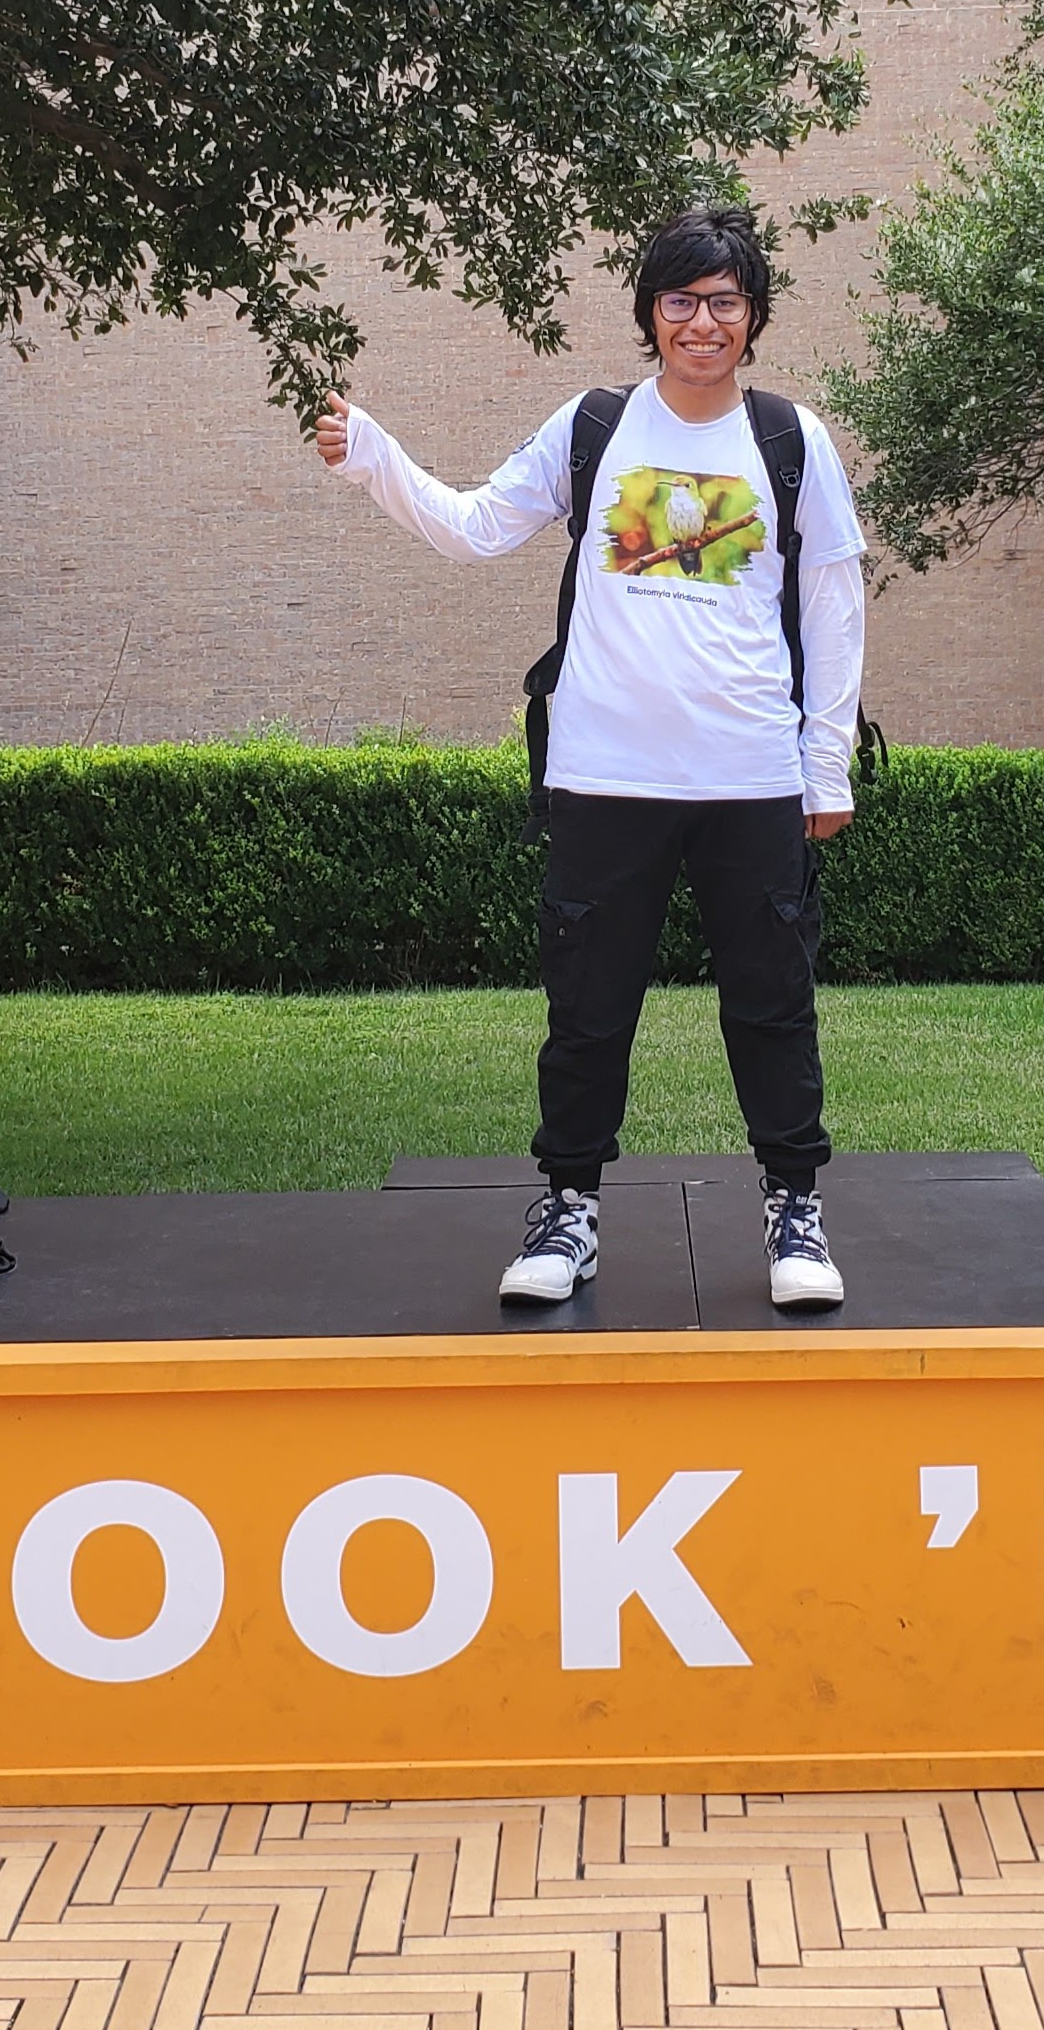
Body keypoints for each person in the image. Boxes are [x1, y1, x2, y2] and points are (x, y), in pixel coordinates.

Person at [316, 204, 867, 1309]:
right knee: (587, 1011)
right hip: (603, 777)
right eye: (681, 300)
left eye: (723, 301)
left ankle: (794, 1213)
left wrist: (827, 764)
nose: (702, 321)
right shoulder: (594, 427)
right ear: (651, 313)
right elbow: (477, 525)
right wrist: (373, 455)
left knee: (773, 1006)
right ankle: (568, 1211)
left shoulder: (791, 440)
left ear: (752, 315)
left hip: (750, 778)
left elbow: (835, 600)